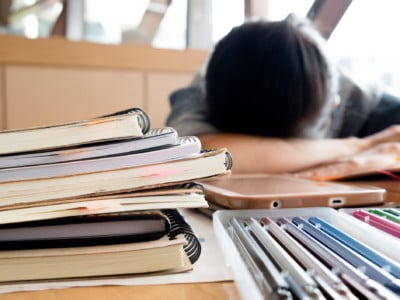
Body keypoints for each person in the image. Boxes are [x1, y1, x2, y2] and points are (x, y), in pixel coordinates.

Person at [166, 14, 400, 174]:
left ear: (334, 108)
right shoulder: (211, 84)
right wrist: (359, 146)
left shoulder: (378, 112)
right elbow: (199, 157)